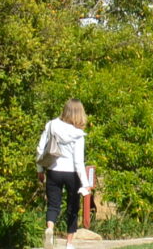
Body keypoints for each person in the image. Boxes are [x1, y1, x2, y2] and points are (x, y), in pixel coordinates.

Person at [37, 100, 90, 238]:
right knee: (72, 207)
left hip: (54, 170)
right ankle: (69, 243)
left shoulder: (51, 125)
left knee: (53, 205)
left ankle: (50, 228)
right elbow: (78, 162)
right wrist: (85, 183)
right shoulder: (78, 134)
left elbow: (40, 149)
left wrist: (40, 170)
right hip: (72, 174)